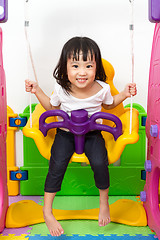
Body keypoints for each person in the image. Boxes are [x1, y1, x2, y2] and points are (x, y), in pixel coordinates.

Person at [25, 36, 137, 237]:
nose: (82, 72)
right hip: (65, 135)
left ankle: (104, 203)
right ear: (65, 67)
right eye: (75, 65)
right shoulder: (61, 88)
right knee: (56, 165)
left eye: (88, 65)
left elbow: (110, 105)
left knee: (100, 163)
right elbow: (52, 107)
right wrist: (37, 90)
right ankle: (47, 210)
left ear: (96, 67)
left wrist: (125, 94)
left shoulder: (101, 88)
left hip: (93, 135)